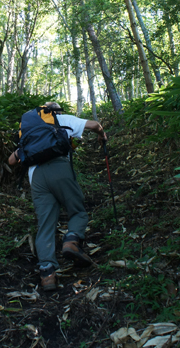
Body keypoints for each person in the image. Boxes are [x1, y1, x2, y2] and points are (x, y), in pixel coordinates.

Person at [8, 102, 107, 291]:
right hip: (59, 168)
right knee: (77, 211)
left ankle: (47, 274)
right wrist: (102, 136)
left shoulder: (28, 133)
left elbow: (12, 160)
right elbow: (94, 125)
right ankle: (71, 241)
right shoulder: (61, 121)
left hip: (36, 178)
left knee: (45, 223)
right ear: (55, 112)